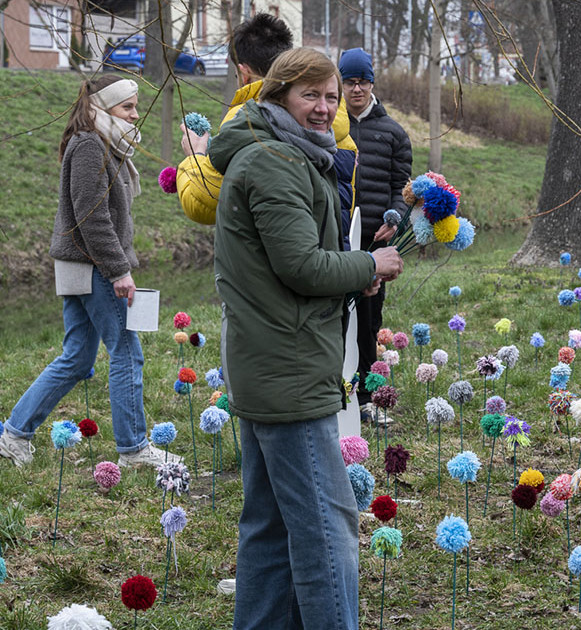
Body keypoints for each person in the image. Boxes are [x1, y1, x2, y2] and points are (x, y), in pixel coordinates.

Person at [210, 47, 404, 629]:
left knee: (270, 527)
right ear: (277, 97)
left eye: (330, 96)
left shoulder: (280, 153)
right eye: (309, 96)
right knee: (327, 528)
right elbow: (301, 266)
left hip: (273, 361)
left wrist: (351, 280)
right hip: (289, 370)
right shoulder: (274, 161)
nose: (323, 108)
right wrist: (368, 266)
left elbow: (286, 273)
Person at [0, 76, 180, 469]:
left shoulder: (104, 143)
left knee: (78, 358)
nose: (135, 114)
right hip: (94, 267)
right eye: (127, 107)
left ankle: (14, 434)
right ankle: (133, 449)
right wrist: (119, 271)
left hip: (83, 266)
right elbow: (91, 216)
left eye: (136, 106)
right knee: (126, 351)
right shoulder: (89, 145)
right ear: (104, 107)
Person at [176, 13, 359, 227]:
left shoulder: (246, 119)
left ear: (244, 72)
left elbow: (205, 204)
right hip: (336, 252)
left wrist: (194, 156)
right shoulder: (336, 124)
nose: (321, 107)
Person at [339, 47, 409, 421]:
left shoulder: (394, 133)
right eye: (349, 82)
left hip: (375, 242)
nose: (356, 89)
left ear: (372, 83)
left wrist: (396, 215)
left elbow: (403, 187)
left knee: (368, 320)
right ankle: (337, 395)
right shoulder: (330, 127)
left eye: (362, 82)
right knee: (335, 319)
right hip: (336, 241)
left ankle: (367, 400)